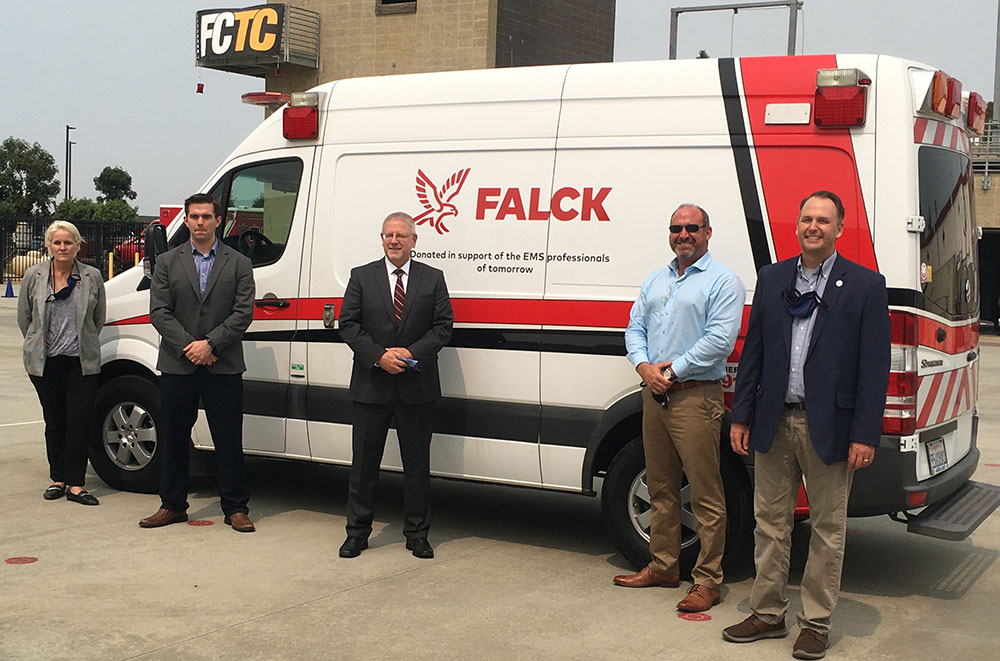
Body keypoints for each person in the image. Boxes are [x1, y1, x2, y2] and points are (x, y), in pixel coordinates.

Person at [723, 191, 890, 659]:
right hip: (773, 422)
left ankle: (815, 622)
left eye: (823, 220)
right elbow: (753, 353)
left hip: (830, 428)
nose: (813, 226)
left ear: (840, 228)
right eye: (806, 219)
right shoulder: (773, 277)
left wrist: (863, 433)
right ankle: (767, 613)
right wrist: (741, 416)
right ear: (796, 226)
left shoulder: (864, 286)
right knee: (769, 524)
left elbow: (873, 369)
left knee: (827, 528)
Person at [614, 204, 745, 613]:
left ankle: (708, 581)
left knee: (706, 493)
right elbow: (634, 327)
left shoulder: (724, 281)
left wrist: (673, 371)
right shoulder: (656, 279)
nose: (683, 234)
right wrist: (643, 366)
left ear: (708, 232)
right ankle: (664, 566)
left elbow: (720, 340)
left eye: (692, 228)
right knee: (661, 487)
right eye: (676, 228)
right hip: (654, 395)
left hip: (694, 396)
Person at [338, 211, 453, 559]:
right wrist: (379, 356)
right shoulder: (362, 276)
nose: (394, 241)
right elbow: (348, 324)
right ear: (382, 239)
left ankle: (417, 534)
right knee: (363, 466)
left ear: (414, 240)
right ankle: (357, 533)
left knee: (416, 467)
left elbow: (443, 327)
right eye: (388, 235)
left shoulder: (433, 279)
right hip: (372, 385)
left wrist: (410, 353)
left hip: (416, 387)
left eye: (401, 235)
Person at [138, 193, 256, 532]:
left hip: (223, 364)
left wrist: (212, 343)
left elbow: (242, 313)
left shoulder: (238, 263)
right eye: (194, 217)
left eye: (207, 216)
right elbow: (159, 312)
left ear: (219, 221)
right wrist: (191, 346)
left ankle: (235, 507)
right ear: (186, 221)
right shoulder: (167, 263)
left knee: (228, 438)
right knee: (174, 437)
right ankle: (172, 505)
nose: (201, 222)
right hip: (179, 363)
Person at [18, 221, 106, 506]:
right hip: (46, 362)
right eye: (57, 242)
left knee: (79, 420)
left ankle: (77, 484)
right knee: (54, 420)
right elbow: (26, 318)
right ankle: (58, 479)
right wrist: (36, 342)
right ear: (49, 245)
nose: (63, 247)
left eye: (68, 242)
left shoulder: (92, 276)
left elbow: (98, 318)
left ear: (78, 245)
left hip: (81, 362)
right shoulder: (34, 275)